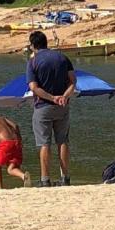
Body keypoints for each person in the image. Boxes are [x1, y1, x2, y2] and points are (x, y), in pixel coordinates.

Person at [26, 30, 76, 187]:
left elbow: (34, 87)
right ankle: (65, 178)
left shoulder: (33, 62)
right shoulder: (62, 57)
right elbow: (73, 81)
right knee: (63, 141)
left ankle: (45, 179)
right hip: (62, 106)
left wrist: (51, 97)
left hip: (43, 107)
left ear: (33, 45)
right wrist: (64, 96)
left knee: (44, 143)